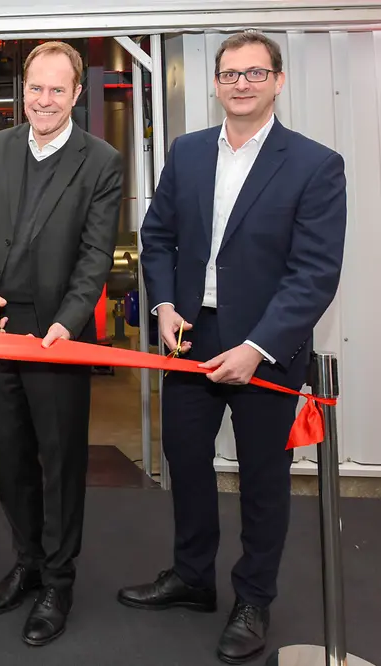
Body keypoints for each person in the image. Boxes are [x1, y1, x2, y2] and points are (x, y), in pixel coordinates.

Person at [119, 31, 346, 664]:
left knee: (262, 478)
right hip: (191, 336)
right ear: (216, 84)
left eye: (254, 73)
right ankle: (192, 577)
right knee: (186, 461)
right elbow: (158, 236)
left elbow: (314, 273)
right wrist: (164, 305)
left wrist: (259, 346)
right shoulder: (188, 152)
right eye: (229, 74)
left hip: (266, 347)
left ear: (278, 80)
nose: (241, 84)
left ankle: (253, 599)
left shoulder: (315, 165)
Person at [0, 41, 122, 646]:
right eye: (35, 88)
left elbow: (95, 254)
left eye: (57, 89)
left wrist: (71, 321)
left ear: (77, 93)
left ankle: (58, 579)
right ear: (21, 91)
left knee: (59, 460)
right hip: (0, 328)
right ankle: (27, 561)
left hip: (57, 335)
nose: (44, 100)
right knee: (11, 458)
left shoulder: (100, 162)